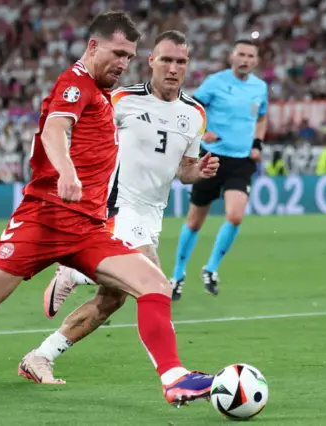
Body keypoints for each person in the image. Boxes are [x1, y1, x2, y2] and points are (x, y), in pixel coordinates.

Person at [0, 11, 214, 407]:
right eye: (118, 53)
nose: (123, 63)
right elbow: (54, 130)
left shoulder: (105, 93)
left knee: (154, 285)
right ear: (93, 46)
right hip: (44, 220)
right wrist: (66, 172)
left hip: (88, 228)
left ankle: (175, 379)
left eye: (129, 57)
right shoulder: (75, 83)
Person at [18, 30, 219, 385]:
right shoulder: (121, 99)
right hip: (117, 207)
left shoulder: (194, 114)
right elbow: (83, 136)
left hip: (151, 214)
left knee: (112, 300)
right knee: (154, 282)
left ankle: (40, 356)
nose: (173, 68)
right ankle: (174, 376)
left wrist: (198, 171)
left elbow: (184, 171)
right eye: (167, 60)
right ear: (151, 61)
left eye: (181, 61)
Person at [170, 39, 268, 300]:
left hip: (241, 161)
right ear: (231, 57)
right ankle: (178, 275)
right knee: (194, 221)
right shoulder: (215, 82)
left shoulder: (260, 88)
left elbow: (261, 117)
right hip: (211, 158)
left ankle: (210, 268)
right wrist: (203, 133)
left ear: (256, 61)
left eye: (250, 56)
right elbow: (191, 109)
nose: (245, 60)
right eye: (241, 55)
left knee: (235, 216)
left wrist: (257, 143)